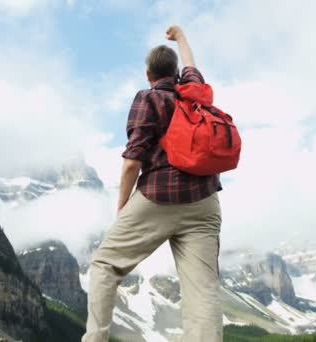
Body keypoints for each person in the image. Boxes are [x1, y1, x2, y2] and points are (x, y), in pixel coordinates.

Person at [82, 25, 223, 342]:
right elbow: (192, 67)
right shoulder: (194, 92)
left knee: (105, 264)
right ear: (177, 74)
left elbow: (133, 161)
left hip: (159, 196)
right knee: (203, 289)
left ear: (148, 75)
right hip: (204, 200)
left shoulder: (149, 98)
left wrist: (122, 206)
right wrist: (182, 38)